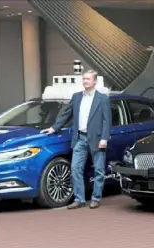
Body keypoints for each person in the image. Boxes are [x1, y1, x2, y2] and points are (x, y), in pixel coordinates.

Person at [41, 70, 112, 209]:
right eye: (84, 79)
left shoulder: (103, 98)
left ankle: (96, 198)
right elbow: (66, 114)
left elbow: (107, 121)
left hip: (97, 139)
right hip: (80, 138)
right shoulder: (77, 97)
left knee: (98, 170)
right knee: (75, 168)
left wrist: (104, 138)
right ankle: (79, 199)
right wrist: (54, 128)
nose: (85, 81)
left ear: (95, 82)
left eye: (88, 79)